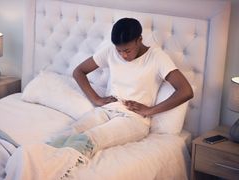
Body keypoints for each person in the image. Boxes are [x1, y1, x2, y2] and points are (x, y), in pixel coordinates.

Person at [48, 17, 193, 158]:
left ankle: (58, 168)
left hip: (134, 120)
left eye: (127, 50)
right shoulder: (110, 51)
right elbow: (79, 71)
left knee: (89, 140)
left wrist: (150, 110)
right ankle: (40, 160)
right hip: (107, 110)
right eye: (119, 51)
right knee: (70, 132)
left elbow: (186, 91)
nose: (123, 55)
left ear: (139, 40)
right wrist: (96, 99)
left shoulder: (156, 57)